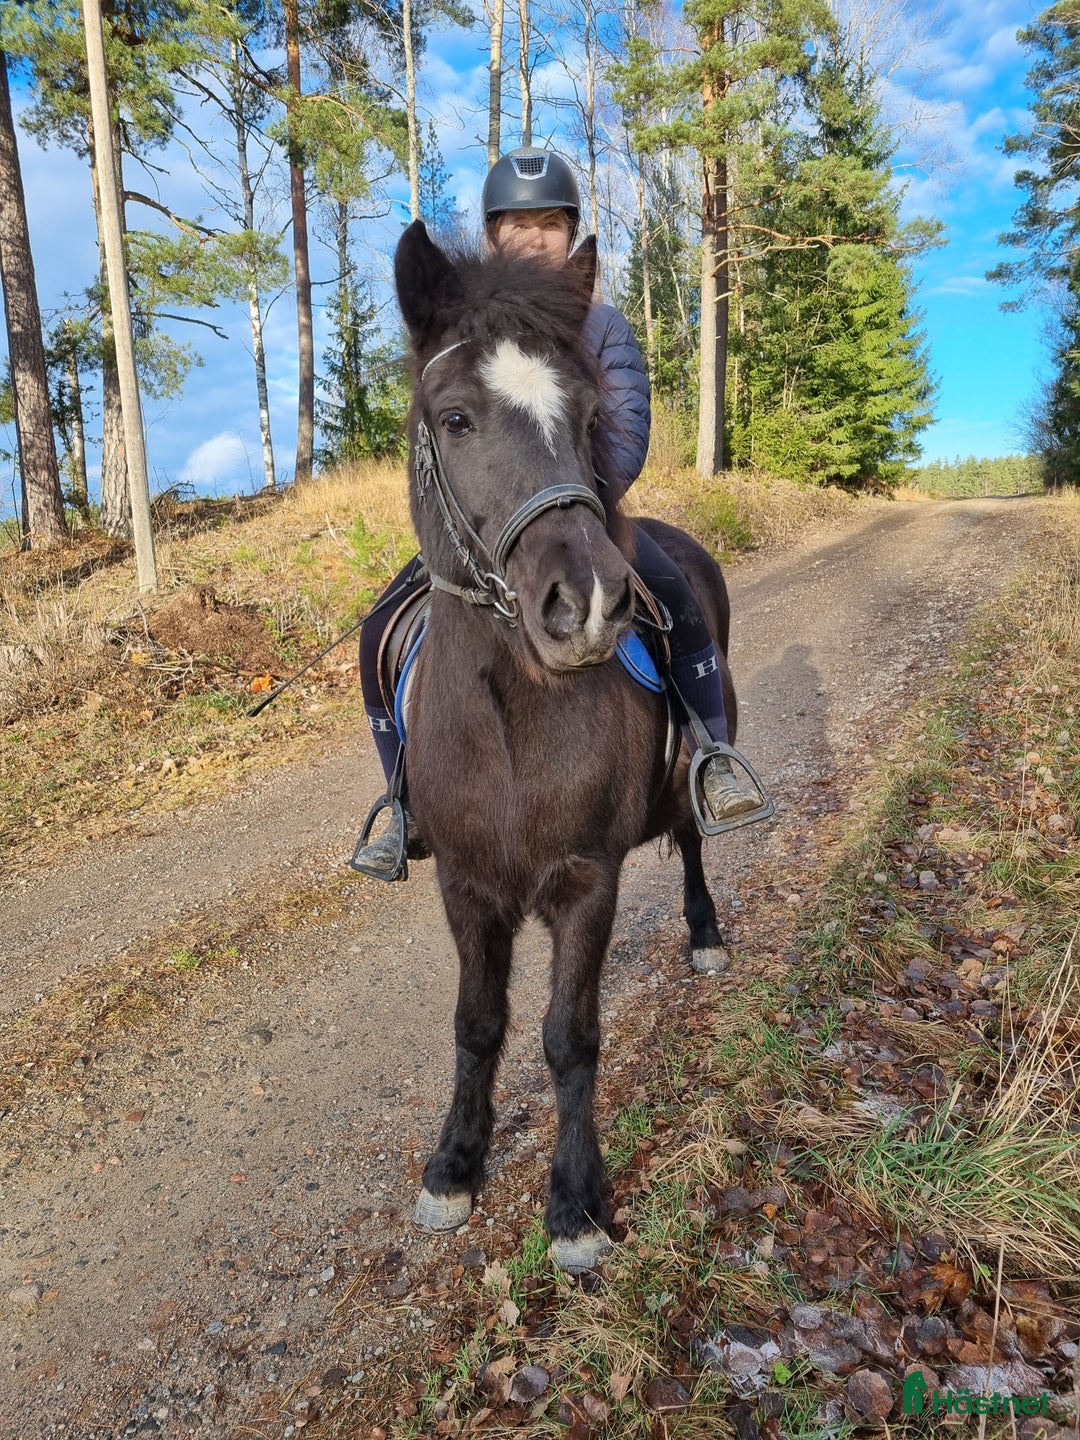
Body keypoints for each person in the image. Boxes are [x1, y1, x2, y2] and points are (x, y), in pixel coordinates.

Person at [351, 146, 766, 881]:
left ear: (570, 234)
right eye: (519, 225)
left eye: (550, 224)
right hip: (490, 529)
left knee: (678, 597)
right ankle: (405, 800)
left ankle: (712, 754)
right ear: (493, 234)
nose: (534, 238)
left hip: (584, 515)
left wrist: (570, 499)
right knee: (379, 629)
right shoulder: (464, 329)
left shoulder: (596, 323)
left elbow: (627, 432)